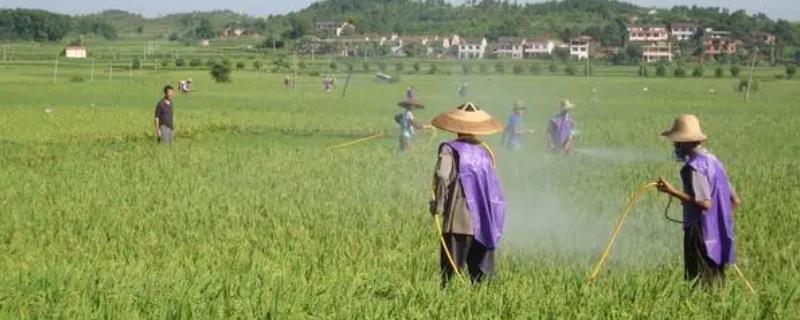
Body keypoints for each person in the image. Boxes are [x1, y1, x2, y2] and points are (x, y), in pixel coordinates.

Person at [656, 114, 741, 287]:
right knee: (717, 282)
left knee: (700, 284)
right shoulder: (714, 161)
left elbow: (704, 203)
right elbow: (735, 200)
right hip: (718, 232)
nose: (675, 146)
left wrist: (671, 191)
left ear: (686, 142)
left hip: (699, 233)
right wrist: (718, 221)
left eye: (677, 142)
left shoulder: (693, 168)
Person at [429, 102, 506, 286]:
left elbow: (442, 176)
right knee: (482, 278)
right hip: (484, 220)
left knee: (451, 276)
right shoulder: (485, 152)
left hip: (458, 220)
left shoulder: (449, 148)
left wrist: (438, 206)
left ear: (456, 127)